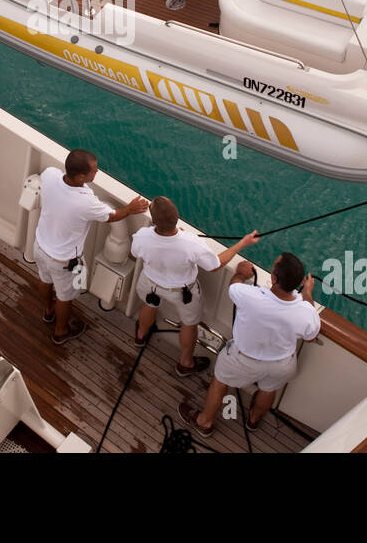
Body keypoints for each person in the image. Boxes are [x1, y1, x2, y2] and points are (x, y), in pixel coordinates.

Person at [179, 252, 318, 436]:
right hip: (281, 365)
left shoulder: (250, 295)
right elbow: (310, 336)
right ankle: (253, 419)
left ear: (274, 278)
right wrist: (307, 291)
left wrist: (241, 273)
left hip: (242, 359)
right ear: (298, 283)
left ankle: (204, 422)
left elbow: (233, 287)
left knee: (220, 382)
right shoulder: (306, 312)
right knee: (269, 390)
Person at [130, 197, 259, 377]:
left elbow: (136, 251)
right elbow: (214, 265)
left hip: (150, 284)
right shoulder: (190, 242)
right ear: (177, 218)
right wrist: (242, 243)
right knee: (189, 325)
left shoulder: (142, 236)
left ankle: (141, 336)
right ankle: (186, 364)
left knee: (149, 305)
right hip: (183, 293)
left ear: (154, 220)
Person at [35, 149, 149, 345]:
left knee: (45, 280)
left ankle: (48, 311)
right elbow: (112, 216)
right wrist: (130, 209)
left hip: (40, 246)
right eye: (94, 170)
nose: (97, 172)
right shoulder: (85, 202)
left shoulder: (50, 175)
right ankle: (60, 332)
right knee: (65, 296)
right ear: (81, 176)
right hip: (63, 260)